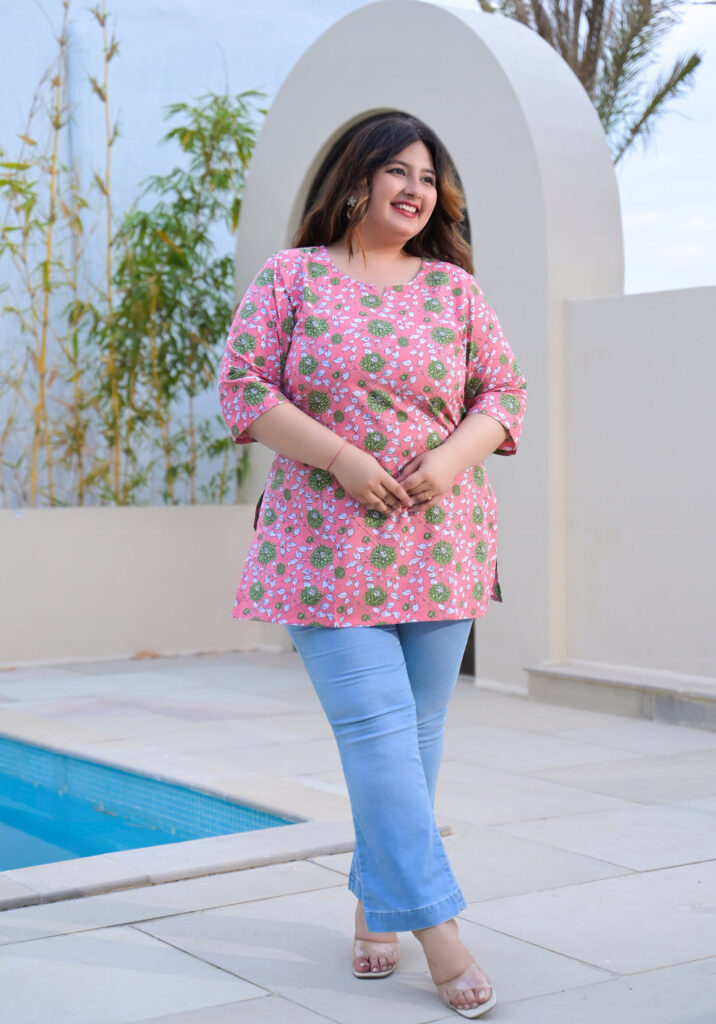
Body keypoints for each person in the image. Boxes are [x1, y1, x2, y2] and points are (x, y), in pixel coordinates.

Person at [218, 112, 527, 1019]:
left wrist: (452, 460)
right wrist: (342, 459)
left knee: (415, 740)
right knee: (378, 734)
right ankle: (440, 931)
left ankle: (375, 901)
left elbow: (503, 392)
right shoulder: (291, 277)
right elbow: (242, 388)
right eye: (398, 171)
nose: (416, 190)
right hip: (322, 547)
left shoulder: (454, 290)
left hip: (442, 543)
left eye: (428, 177)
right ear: (355, 180)